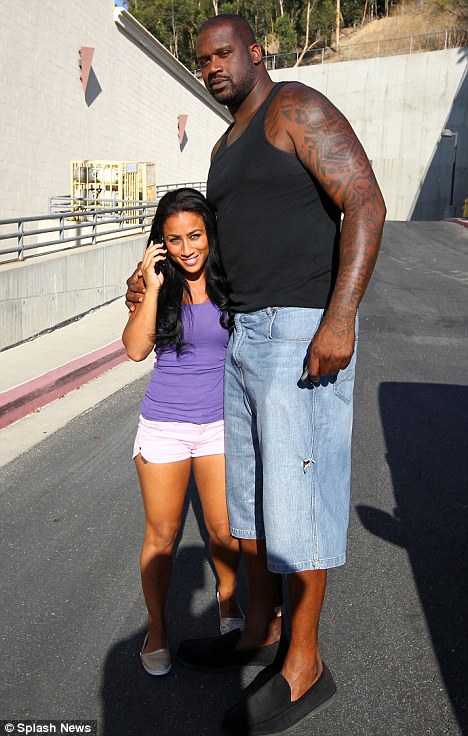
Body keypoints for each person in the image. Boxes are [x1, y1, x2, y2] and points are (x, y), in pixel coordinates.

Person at [126, 14, 386, 733]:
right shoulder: (222, 146)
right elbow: (220, 248)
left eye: (221, 53)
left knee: (299, 500)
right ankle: (258, 632)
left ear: (254, 52)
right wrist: (156, 290)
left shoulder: (294, 107)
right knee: (253, 509)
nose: (210, 67)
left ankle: (304, 664)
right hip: (246, 339)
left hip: (302, 329)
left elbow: (364, 200)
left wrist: (340, 318)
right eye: (200, 59)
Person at [122, 188, 245, 677]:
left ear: (210, 235)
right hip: (164, 427)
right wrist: (150, 286)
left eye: (195, 235)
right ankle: (157, 627)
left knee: (223, 530)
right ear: (161, 242)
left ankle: (228, 597)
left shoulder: (231, 280)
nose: (187, 248)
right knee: (163, 535)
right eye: (174, 239)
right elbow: (134, 350)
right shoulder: (155, 284)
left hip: (219, 424)